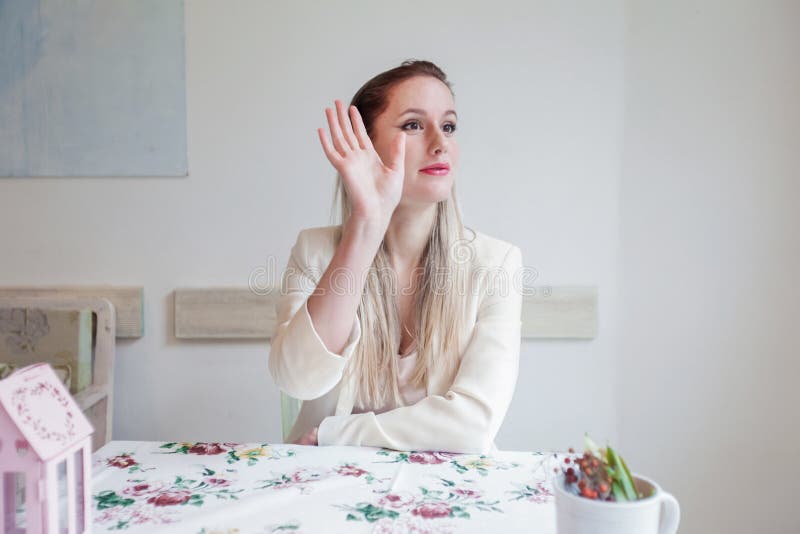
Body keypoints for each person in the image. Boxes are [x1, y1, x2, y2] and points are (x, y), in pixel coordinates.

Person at [268, 60, 523, 454]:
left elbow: (473, 425)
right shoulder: (314, 251)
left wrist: (338, 434)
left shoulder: (497, 264)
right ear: (364, 148)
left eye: (449, 126)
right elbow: (297, 379)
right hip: (325, 487)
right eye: (413, 125)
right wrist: (367, 222)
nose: (440, 143)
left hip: (445, 492)